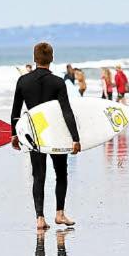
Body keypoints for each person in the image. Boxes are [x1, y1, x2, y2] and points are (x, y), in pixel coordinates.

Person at [11, 42, 80, 230]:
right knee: (61, 173)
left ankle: (40, 218)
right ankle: (60, 213)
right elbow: (66, 111)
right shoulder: (58, 82)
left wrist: (14, 135)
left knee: (38, 175)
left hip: (35, 133)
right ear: (52, 58)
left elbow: (16, 111)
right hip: (56, 132)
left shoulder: (23, 82)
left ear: (34, 59)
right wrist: (75, 138)